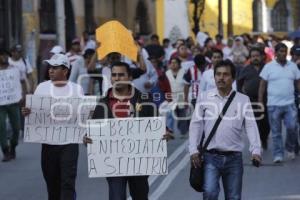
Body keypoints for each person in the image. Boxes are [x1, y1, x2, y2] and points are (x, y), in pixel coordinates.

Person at [83, 61, 173, 200]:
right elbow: (93, 131)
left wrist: (165, 132)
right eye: (114, 75)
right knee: (117, 196)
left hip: (139, 162)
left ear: (130, 77)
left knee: (140, 195)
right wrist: (87, 138)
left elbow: (156, 122)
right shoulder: (103, 103)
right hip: (113, 162)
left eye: (121, 75)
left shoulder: (144, 99)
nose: (117, 78)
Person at [189, 60, 262, 200]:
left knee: (234, 197)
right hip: (210, 156)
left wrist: (256, 150)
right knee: (210, 192)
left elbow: (251, 125)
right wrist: (193, 150)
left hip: (234, 158)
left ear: (233, 78)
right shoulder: (204, 97)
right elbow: (196, 124)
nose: (221, 78)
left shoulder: (243, 100)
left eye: (225, 74)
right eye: (218, 74)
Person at [21, 54, 83, 200]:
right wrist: (27, 112)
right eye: (50, 67)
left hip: (69, 143)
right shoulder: (41, 88)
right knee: (52, 184)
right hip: (49, 145)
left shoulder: (76, 89)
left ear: (65, 70)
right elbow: (34, 113)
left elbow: (83, 115)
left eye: (55, 68)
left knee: (67, 182)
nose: (51, 70)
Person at [258, 43, 300, 163]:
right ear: (275, 53)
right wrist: (260, 101)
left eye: (284, 51)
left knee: (293, 127)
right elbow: (262, 85)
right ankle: (278, 154)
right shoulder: (268, 67)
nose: (282, 53)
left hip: (290, 104)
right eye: (280, 51)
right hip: (273, 104)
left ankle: (290, 148)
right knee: (276, 132)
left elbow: (298, 83)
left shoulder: (293, 66)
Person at [237, 47, 270, 149]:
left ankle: (263, 138)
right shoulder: (245, 69)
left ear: (262, 56)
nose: (255, 58)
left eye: (257, 56)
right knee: (253, 123)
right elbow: (239, 82)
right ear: (250, 58)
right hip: (250, 100)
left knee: (265, 123)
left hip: (266, 99)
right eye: (253, 56)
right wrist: (240, 95)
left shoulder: (267, 67)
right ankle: (255, 143)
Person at [0, 50, 24, 162]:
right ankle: (5, 150)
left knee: (16, 127)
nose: (4, 57)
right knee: (1, 126)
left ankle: (13, 146)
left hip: (13, 102)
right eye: (1, 55)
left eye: (5, 55)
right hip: (1, 104)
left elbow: (21, 82)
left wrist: (22, 95)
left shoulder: (14, 69)